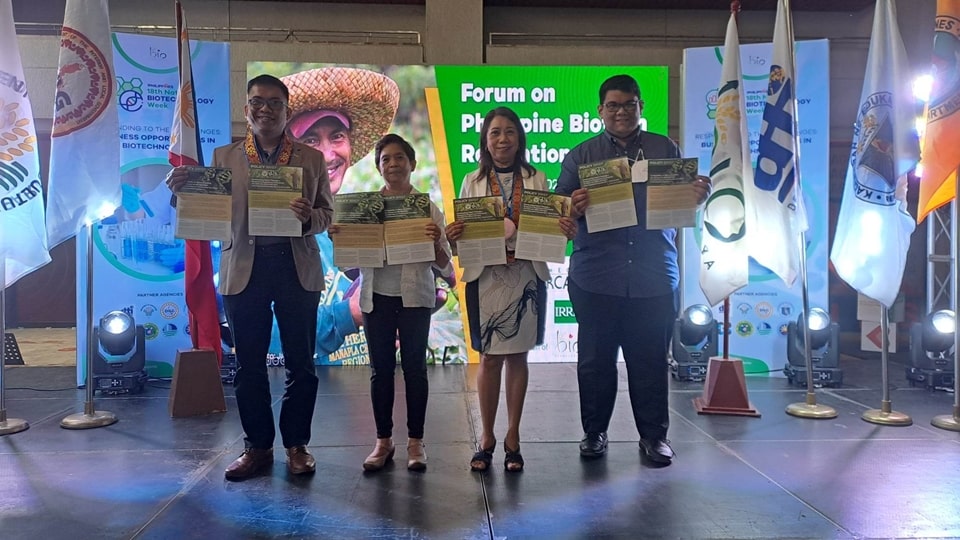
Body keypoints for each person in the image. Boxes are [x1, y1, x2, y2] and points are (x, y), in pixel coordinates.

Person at [166, 74, 334, 480]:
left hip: (296, 266)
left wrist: (309, 217)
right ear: (246, 110)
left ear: (286, 110)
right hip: (245, 267)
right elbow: (207, 206)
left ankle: (297, 445)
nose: (265, 108)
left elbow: (328, 214)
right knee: (249, 366)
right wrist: (180, 190)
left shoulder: (310, 159)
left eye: (274, 102)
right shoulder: (225, 158)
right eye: (257, 101)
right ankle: (257, 448)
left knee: (301, 364)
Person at [555, 74, 710, 466]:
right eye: (613, 105)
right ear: (600, 111)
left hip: (653, 273)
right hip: (596, 276)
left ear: (641, 107)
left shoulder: (664, 147)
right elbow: (559, 212)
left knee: (651, 362)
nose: (621, 112)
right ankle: (594, 433)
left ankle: (654, 438)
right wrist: (571, 205)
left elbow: (680, 198)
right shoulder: (581, 156)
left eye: (628, 104)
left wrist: (697, 195)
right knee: (594, 362)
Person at [446, 107, 577, 472]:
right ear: (485, 141)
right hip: (485, 276)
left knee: (519, 357)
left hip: (525, 275)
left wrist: (558, 227)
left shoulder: (537, 177)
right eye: (494, 133)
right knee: (489, 359)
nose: (502, 139)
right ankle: (487, 436)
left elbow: (546, 226)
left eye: (509, 132)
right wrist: (454, 235)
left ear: (519, 138)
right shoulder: (471, 180)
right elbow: (465, 232)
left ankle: (513, 436)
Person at [330, 134, 451, 472]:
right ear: (379, 167)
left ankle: (416, 441)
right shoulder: (364, 210)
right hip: (376, 297)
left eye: (400, 158)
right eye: (386, 159)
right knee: (380, 370)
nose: (393, 164)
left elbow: (444, 263)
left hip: (415, 298)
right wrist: (341, 238)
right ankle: (383, 441)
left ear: (412, 164)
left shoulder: (427, 209)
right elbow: (347, 264)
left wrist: (434, 242)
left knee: (415, 370)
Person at [276, 67, 401, 365]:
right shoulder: (274, 224)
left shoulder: (357, 220)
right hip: (308, 393)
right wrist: (351, 314)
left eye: (337, 136)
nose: (327, 155)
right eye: (310, 141)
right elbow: (272, 337)